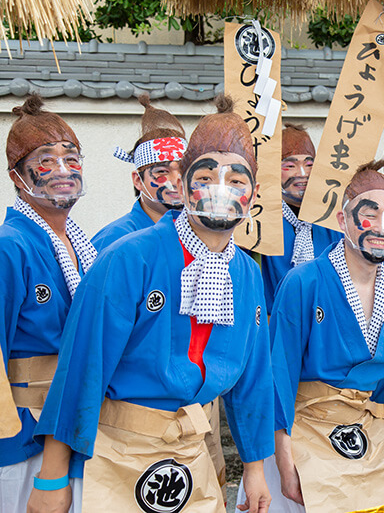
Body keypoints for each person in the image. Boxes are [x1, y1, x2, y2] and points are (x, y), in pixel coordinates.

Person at [28, 95, 276, 513]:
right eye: (206, 176)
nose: (220, 190)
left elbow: (253, 379)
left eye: (237, 180)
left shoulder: (247, 273)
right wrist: (52, 476)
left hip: (191, 450)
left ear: (253, 195)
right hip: (118, 448)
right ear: (183, 185)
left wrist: (254, 468)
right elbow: (83, 367)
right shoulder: (128, 256)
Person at [256, 159, 384, 513]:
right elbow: (279, 378)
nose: (383, 228)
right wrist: (284, 462)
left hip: (365, 427)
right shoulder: (303, 281)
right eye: (370, 215)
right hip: (303, 428)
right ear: (343, 220)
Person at [0, 95, 95, 513]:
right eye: (45, 159)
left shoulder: (80, 242)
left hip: (74, 425)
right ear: (16, 176)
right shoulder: (10, 246)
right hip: (21, 432)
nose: (62, 170)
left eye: (71, 158)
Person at [260, 123, 340, 315]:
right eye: (290, 165)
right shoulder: (261, 217)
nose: (302, 174)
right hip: (274, 323)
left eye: (309, 165)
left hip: (325, 323)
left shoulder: (331, 217)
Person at [92, 94, 186, 252]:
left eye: (184, 170)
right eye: (163, 171)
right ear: (137, 180)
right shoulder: (114, 239)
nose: (177, 179)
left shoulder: (200, 235)